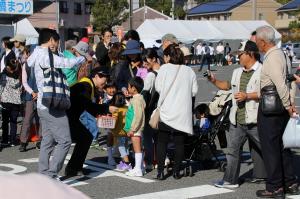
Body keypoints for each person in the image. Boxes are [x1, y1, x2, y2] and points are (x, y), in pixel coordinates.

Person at [27, 28, 86, 179]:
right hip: (53, 105)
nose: (58, 44)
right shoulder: (45, 55)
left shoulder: (36, 53)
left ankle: (43, 173)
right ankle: (51, 174)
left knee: (48, 140)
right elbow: (65, 63)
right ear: (52, 40)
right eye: (57, 41)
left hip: (43, 104)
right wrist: (82, 58)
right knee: (65, 140)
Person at [209, 40, 266, 188]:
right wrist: (214, 80)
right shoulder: (237, 71)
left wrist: (248, 96)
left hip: (256, 120)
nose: (238, 57)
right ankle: (230, 180)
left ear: (250, 54)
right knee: (232, 151)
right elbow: (228, 86)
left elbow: (267, 92)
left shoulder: (263, 71)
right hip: (237, 119)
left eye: (240, 54)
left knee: (268, 150)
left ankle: (284, 177)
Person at [255, 25, 299, 198]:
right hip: (281, 107)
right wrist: (289, 103)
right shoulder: (282, 54)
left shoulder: (272, 57)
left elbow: (280, 84)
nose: (257, 44)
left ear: (263, 42)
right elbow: (289, 81)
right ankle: (290, 182)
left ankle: (275, 187)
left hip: (271, 107)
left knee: (270, 147)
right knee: (283, 146)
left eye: (258, 41)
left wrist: (289, 105)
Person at [155, 44, 198, 180]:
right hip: (182, 112)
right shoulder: (189, 71)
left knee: (162, 141)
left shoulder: (164, 69)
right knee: (180, 142)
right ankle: (176, 171)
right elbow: (194, 91)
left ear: (167, 57)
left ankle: (161, 172)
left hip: (167, 111)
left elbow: (158, 88)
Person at [65, 67, 118, 176]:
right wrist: (106, 108)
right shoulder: (86, 85)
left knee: (85, 137)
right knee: (84, 137)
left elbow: (87, 107)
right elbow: (88, 106)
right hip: (65, 116)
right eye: (104, 78)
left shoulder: (88, 85)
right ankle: (71, 168)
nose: (106, 82)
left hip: (70, 116)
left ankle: (74, 168)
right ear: (96, 76)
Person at [141, 48, 161, 170]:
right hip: (164, 108)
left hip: (151, 109)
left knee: (148, 136)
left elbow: (145, 93)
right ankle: (161, 159)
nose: (144, 64)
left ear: (153, 59)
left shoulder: (150, 75)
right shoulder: (165, 71)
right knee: (160, 137)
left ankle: (149, 161)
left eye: (145, 61)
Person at [123, 77, 146, 177]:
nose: (128, 89)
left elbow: (138, 115)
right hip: (136, 128)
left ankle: (138, 169)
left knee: (137, 149)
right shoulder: (138, 98)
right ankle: (139, 167)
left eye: (129, 87)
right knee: (137, 149)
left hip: (135, 129)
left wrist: (132, 129)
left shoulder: (136, 100)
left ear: (134, 88)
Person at [19, 47, 41, 152]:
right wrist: (32, 92)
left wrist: (39, 92)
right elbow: (24, 82)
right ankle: (23, 142)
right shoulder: (26, 64)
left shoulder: (43, 64)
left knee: (41, 119)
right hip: (30, 95)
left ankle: (40, 140)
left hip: (41, 94)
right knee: (27, 119)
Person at [0, 59, 22, 147]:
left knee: (5, 121)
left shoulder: (4, 76)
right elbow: (21, 89)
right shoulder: (19, 76)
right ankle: (13, 140)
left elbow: (1, 87)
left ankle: (5, 140)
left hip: (5, 100)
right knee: (14, 122)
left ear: (9, 67)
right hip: (16, 102)